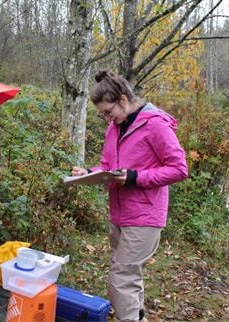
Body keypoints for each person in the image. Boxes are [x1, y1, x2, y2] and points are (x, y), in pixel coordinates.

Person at [71, 70, 188, 321]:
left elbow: (179, 169)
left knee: (120, 280)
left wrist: (135, 177)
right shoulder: (115, 127)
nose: (106, 118)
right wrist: (88, 172)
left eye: (107, 111)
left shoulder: (155, 124)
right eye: (102, 114)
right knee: (129, 275)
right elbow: (107, 165)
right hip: (120, 213)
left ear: (123, 100)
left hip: (145, 215)